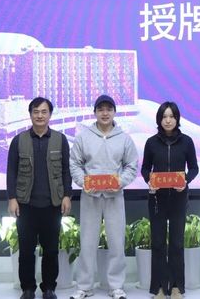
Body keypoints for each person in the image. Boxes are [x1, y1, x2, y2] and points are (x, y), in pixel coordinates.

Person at [69, 95, 139, 299]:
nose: (105, 113)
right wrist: (83, 181)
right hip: (90, 196)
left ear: (114, 112)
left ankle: (116, 286)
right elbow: (75, 163)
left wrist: (120, 181)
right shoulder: (84, 137)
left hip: (114, 196)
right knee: (87, 242)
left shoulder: (124, 138)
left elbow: (131, 165)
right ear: (95, 113)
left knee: (116, 242)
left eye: (109, 109)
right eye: (101, 109)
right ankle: (84, 286)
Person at [6, 97, 72, 299]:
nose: (40, 116)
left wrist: (67, 195)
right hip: (26, 204)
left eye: (44, 112)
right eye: (36, 112)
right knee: (26, 250)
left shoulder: (60, 139)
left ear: (50, 114)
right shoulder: (19, 140)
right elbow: (11, 171)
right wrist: (12, 198)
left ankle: (49, 288)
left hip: (52, 204)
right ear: (30, 114)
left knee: (51, 250)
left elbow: (66, 170)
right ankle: (28, 289)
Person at [141, 102, 199, 299]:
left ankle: (176, 287)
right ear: (159, 119)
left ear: (177, 119)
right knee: (158, 243)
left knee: (176, 243)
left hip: (178, 197)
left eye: (171, 116)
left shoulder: (186, 142)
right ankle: (158, 287)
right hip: (157, 198)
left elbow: (194, 168)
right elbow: (145, 168)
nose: (168, 120)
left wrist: (186, 180)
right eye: (164, 117)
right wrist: (149, 180)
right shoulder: (151, 142)